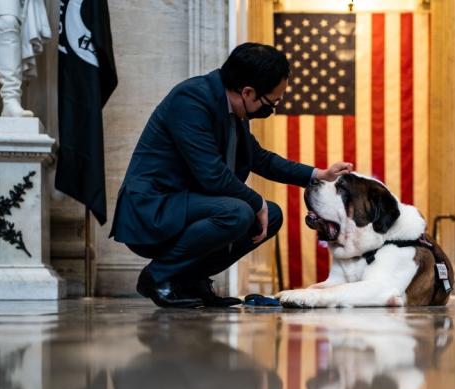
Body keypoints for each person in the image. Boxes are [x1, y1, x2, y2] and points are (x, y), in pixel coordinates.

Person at [110, 43, 352, 307]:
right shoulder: (191, 100)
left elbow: (260, 159)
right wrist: (256, 201)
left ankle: (190, 279)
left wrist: (320, 174)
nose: (274, 108)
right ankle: (156, 277)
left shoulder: (235, 110)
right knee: (238, 212)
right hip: (152, 208)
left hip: (186, 205)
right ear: (248, 92)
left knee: (271, 216)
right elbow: (212, 174)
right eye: (273, 101)